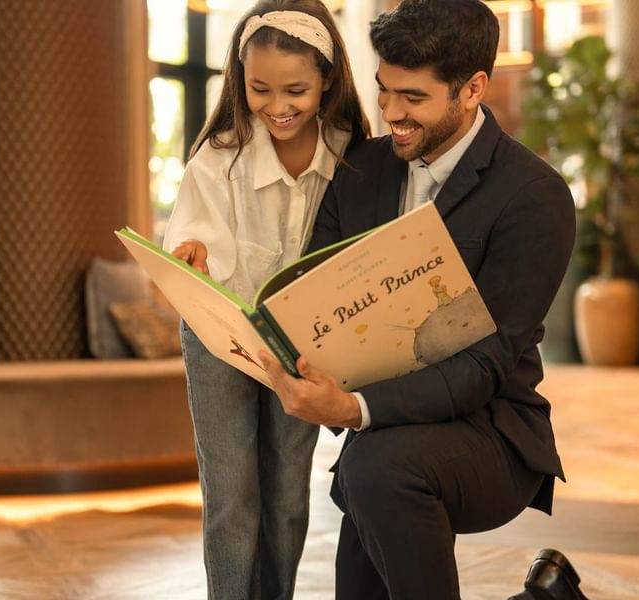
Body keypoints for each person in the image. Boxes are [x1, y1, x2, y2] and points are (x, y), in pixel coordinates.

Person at [259, 1, 589, 599]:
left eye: (412, 97)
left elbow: (485, 366)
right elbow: (315, 297)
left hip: (490, 433)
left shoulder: (534, 197)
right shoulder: (360, 168)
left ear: (472, 90)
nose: (389, 114)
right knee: (372, 472)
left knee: (375, 467)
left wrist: (353, 409)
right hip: (383, 438)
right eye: (384, 91)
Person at [162, 1, 370, 599]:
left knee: (285, 491)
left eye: (296, 90)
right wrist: (191, 252)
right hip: (219, 338)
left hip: (300, 343)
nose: (277, 106)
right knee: (230, 494)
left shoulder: (351, 152)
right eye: (260, 89)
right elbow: (188, 238)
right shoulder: (218, 156)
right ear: (239, 79)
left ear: (327, 81)